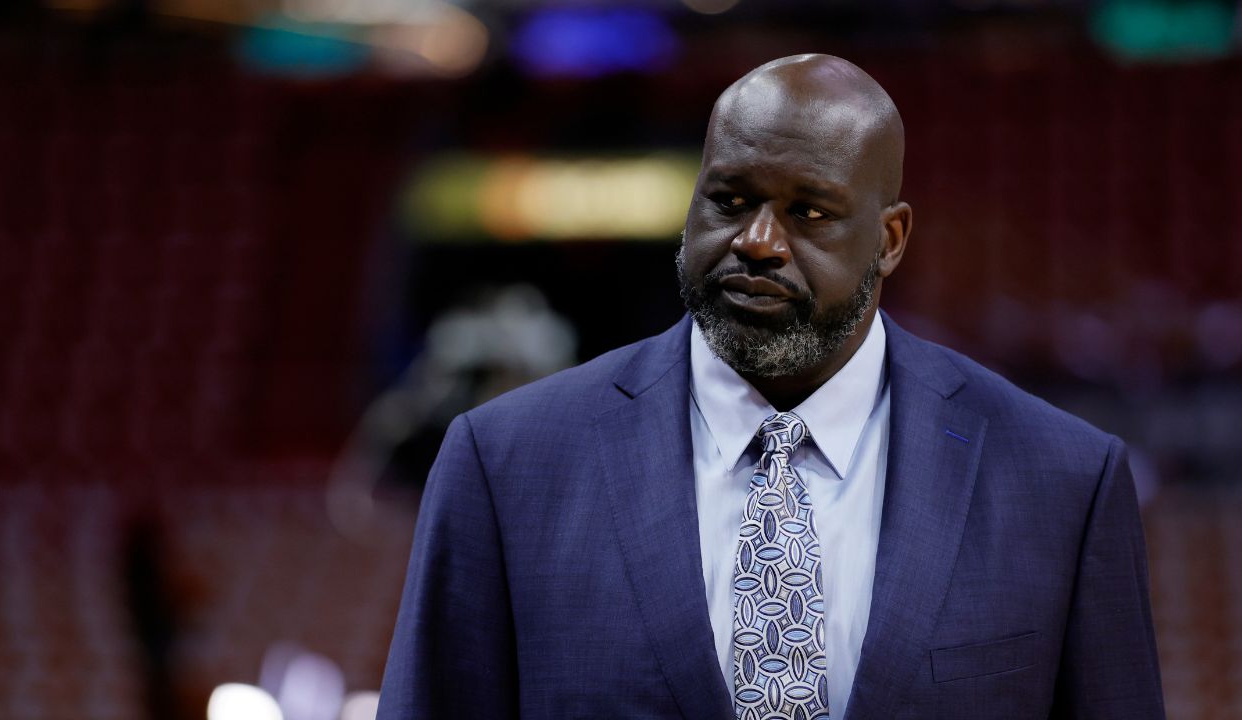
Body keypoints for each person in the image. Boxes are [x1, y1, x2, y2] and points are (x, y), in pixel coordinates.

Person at [377, 54, 1164, 720]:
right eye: (729, 200)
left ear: (889, 240)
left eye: (808, 212)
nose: (756, 241)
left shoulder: (1060, 482)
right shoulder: (507, 463)